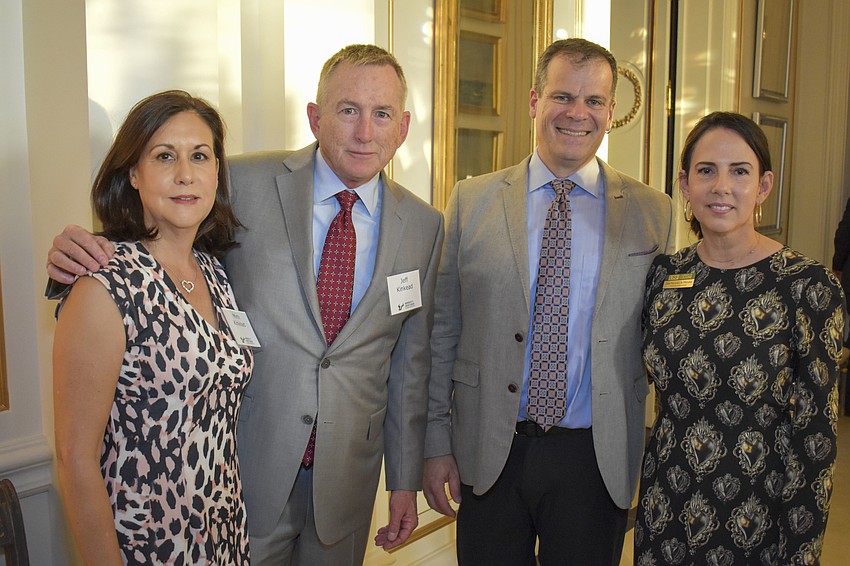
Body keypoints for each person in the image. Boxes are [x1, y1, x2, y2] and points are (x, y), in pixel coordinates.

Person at [47, 45, 444, 565]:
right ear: (316, 117)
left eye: (382, 113)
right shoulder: (240, 182)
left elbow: (409, 366)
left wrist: (404, 480)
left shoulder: (424, 225)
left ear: (404, 126)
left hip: (346, 480)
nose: (365, 131)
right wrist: (76, 252)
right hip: (241, 479)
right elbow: (156, 235)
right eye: (348, 110)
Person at [422, 38, 674, 565]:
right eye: (563, 96)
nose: (578, 114)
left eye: (595, 102)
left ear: (609, 113)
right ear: (534, 101)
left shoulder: (654, 213)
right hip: (491, 449)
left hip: (593, 455)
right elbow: (442, 332)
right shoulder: (472, 201)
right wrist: (436, 443)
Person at [635, 112, 844, 565]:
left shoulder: (807, 287)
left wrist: (800, 551)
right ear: (685, 185)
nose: (721, 186)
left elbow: (816, 441)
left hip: (758, 515)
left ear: (764, 186)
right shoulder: (665, 275)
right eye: (706, 170)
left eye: (740, 171)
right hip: (664, 506)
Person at [53, 90, 252, 564]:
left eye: (200, 156)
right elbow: (75, 459)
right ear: (134, 174)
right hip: (146, 546)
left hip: (223, 537)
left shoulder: (215, 273)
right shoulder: (105, 285)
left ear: (217, 172)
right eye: (165, 156)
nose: (186, 174)